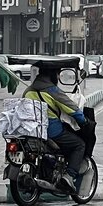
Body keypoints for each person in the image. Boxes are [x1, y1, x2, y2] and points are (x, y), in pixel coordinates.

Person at [23, 64, 89, 193]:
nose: (59, 77)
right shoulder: (52, 91)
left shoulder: (28, 91)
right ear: (53, 75)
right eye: (58, 74)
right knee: (79, 144)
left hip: (31, 131)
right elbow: (72, 109)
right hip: (52, 131)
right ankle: (69, 176)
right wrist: (84, 121)